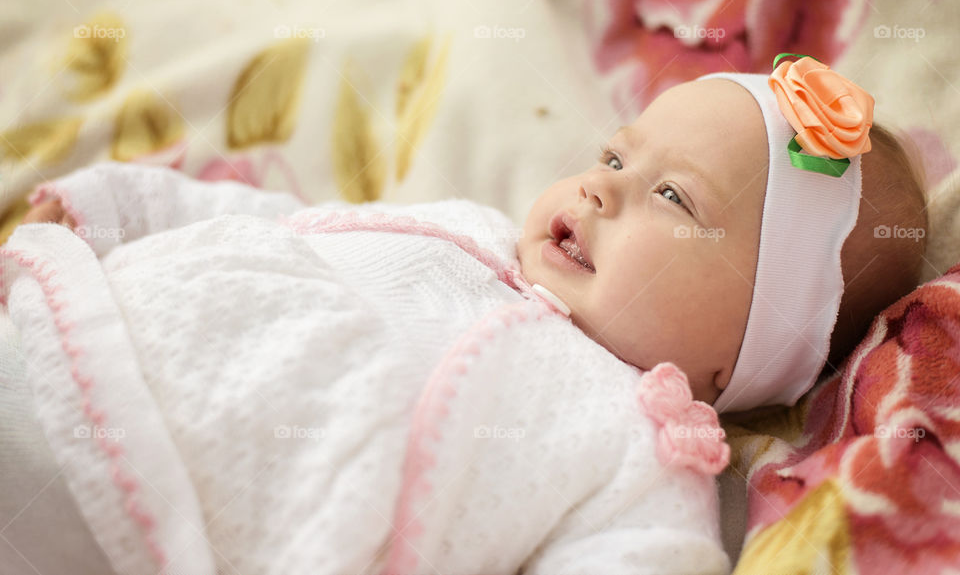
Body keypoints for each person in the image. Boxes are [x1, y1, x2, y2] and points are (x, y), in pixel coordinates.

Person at [9, 56, 926, 574]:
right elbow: (275, 225)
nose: (604, 189)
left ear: (740, 359)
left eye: (675, 198)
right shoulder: (469, 230)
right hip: (78, 328)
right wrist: (116, 209)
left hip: (182, 521)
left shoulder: (642, 450)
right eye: (613, 155)